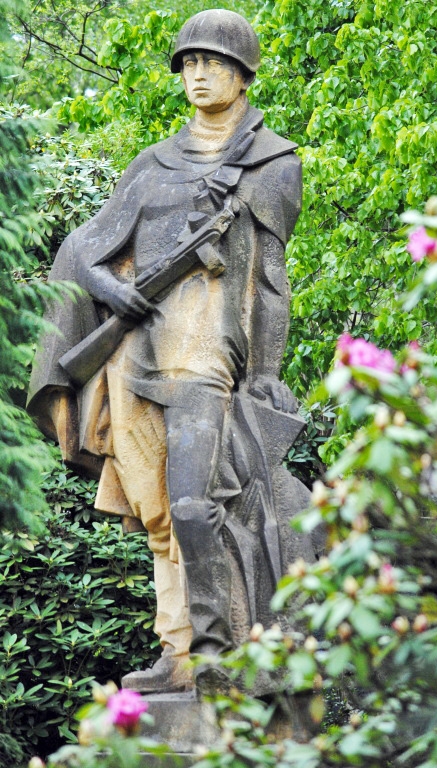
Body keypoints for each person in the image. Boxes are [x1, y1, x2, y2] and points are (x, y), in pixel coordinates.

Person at [28, 9, 307, 695]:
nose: (199, 75)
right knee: (157, 515)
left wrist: (266, 373)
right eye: (190, 63)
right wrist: (113, 293)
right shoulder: (151, 164)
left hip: (205, 356)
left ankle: (215, 649)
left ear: (243, 75)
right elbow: (83, 250)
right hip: (131, 355)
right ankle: (177, 651)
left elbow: (271, 280)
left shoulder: (273, 164)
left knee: (192, 505)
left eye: (214, 63)